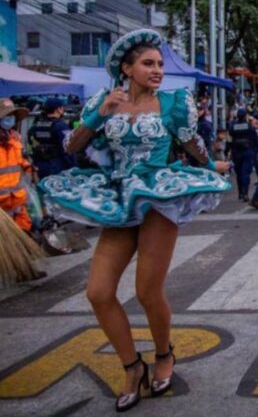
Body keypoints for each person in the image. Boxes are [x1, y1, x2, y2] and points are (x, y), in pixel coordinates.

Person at [37, 29, 231, 413]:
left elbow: (192, 144)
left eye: (159, 64)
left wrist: (211, 165)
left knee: (147, 291)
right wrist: (100, 113)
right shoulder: (105, 101)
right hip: (120, 197)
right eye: (148, 63)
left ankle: (163, 354)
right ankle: (132, 366)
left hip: (158, 196)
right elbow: (72, 145)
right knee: (98, 292)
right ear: (127, 68)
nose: (157, 70)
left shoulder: (173, 103)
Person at [0, 98, 34, 232]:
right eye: (7, 115)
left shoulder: (15, 140)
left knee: (24, 231)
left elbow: (20, 163)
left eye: (12, 115)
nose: (10, 119)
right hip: (2, 207)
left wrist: (29, 167)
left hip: (18, 200)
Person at [28, 98, 73, 179]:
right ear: (58, 109)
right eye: (62, 107)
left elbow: (31, 142)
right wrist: (73, 165)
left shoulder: (36, 125)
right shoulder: (60, 126)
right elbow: (67, 147)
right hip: (56, 165)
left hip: (40, 165)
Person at [228, 108, 258, 202]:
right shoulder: (249, 126)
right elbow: (255, 139)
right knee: (245, 173)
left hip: (236, 151)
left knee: (239, 173)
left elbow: (229, 138)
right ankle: (245, 193)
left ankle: (240, 193)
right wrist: (255, 151)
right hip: (247, 151)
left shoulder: (233, 126)